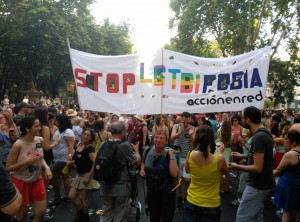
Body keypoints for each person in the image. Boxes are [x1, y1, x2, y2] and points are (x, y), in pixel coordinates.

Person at [229, 106, 275, 222]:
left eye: (243, 118)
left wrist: (236, 166)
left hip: (257, 184)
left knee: (243, 216)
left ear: (248, 119)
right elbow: (261, 157)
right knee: (256, 216)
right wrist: (243, 156)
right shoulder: (264, 132)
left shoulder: (259, 137)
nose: (241, 121)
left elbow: (258, 168)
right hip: (263, 183)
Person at [6, 116, 53, 222]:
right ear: (27, 129)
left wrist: (46, 168)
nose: (40, 128)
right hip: (20, 181)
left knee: (41, 212)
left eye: (39, 126)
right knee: (21, 215)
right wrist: (26, 162)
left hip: (37, 180)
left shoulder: (39, 140)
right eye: (36, 126)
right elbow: (8, 168)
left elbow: (40, 157)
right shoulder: (18, 145)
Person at [183, 125, 228, 221]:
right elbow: (225, 172)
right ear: (212, 140)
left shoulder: (190, 155)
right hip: (211, 204)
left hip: (192, 201)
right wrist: (220, 152)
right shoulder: (219, 159)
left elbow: (187, 170)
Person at [100, 121, 141, 221]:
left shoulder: (103, 145)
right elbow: (137, 162)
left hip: (105, 186)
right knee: (120, 217)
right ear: (123, 132)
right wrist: (136, 150)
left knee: (105, 215)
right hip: (121, 187)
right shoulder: (124, 146)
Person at [140, 130, 179, 221]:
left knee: (166, 218)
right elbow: (143, 162)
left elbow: (174, 174)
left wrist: (172, 155)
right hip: (152, 191)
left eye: (161, 138)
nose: (158, 140)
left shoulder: (170, 154)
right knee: (154, 217)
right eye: (156, 138)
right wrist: (142, 169)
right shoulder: (148, 150)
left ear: (166, 141)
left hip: (167, 194)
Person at [68, 129, 100, 222]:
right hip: (79, 175)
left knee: (83, 198)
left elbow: (96, 163)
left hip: (86, 175)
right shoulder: (79, 145)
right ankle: (80, 212)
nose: (85, 136)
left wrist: (88, 177)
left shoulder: (89, 148)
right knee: (71, 196)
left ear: (91, 138)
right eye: (84, 134)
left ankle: (85, 217)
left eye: (88, 135)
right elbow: (76, 159)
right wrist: (71, 161)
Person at [273, 130, 300, 222]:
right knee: (298, 210)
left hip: (288, 185)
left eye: (286, 139)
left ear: (294, 142)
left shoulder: (290, 154)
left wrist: (266, 175)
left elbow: (278, 170)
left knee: (286, 211)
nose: (283, 141)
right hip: (297, 184)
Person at [49, 114, 75, 206]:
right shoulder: (59, 130)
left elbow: (71, 146)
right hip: (58, 158)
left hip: (64, 159)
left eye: (56, 120)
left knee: (55, 174)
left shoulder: (67, 131)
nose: (55, 122)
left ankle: (58, 196)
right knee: (65, 176)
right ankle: (67, 196)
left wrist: (70, 157)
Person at [170, 111, 195, 207]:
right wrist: (180, 132)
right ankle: (180, 197)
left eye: (188, 122)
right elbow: (171, 138)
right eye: (184, 122)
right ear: (181, 120)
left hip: (188, 157)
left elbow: (195, 143)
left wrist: (191, 135)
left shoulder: (193, 128)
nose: (186, 124)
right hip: (177, 156)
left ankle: (187, 196)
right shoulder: (176, 127)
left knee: (187, 179)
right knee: (179, 179)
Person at [216, 120, 233, 193]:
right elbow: (231, 143)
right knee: (227, 172)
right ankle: (226, 187)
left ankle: (221, 188)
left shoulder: (219, 133)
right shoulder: (232, 135)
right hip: (228, 151)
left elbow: (218, 141)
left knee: (219, 171)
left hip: (220, 150)